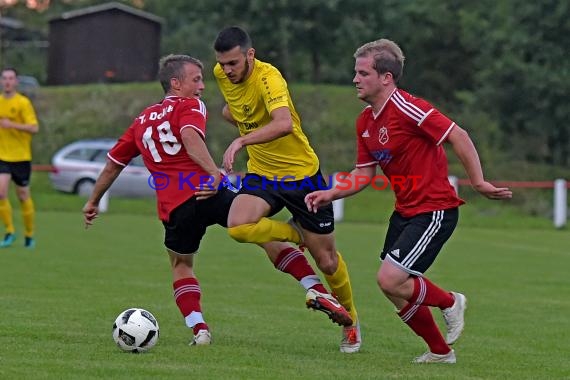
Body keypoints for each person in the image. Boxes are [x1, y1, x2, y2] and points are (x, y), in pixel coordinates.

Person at [82, 54, 351, 346]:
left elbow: (112, 164)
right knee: (263, 236)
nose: (202, 86)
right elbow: (189, 136)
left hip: (174, 208)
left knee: (181, 265)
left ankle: (200, 330)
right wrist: (213, 173)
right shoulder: (189, 105)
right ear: (176, 83)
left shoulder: (141, 121)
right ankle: (314, 286)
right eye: (196, 79)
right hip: (208, 192)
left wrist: (93, 200)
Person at [305, 39, 513, 363]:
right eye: (355, 73)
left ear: (386, 77)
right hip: (405, 211)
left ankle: (450, 302)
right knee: (393, 289)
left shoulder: (408, 107)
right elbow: (363, 173)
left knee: (389, 279)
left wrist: (478, 181)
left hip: (435, 210)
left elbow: (458, 135)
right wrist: (331, 193)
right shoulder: (364, 121)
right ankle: (441, 352)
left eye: (363, 73)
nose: (355, 79)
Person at [213, 26, 361, 353]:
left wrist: (241, 139)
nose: (227, 70)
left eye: (234, 63)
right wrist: (241, 124)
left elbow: (283, 124)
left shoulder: (270, 78)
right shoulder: (222, 75)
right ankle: (296, 235)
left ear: (250, 55)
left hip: (301, 176)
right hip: (263, 173)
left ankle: (351, 319)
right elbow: (233, 109)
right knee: (238, 226)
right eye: (222, 64)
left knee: (327, 261)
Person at [0, 68, 39, 249]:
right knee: (1, 193)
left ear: (16, 82)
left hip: (21, 157)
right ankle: (9, 231)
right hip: (3, 156)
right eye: (5, 78)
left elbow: (33, 128)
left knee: (23, 196)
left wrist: (12, 124)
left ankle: (29, 234)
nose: (7, 81)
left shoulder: (23, 103)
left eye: (11, 78)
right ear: (1, 81)